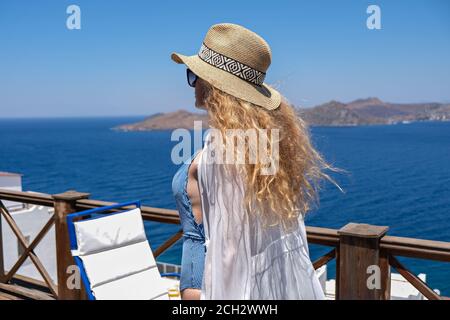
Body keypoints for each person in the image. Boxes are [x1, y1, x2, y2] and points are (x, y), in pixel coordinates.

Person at [171, 23, 340, 299]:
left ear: (213, 85)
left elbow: (230, 252)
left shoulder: (221, 154)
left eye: (194, 75)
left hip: (204, 286)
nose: (192, 83)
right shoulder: (265, 147)